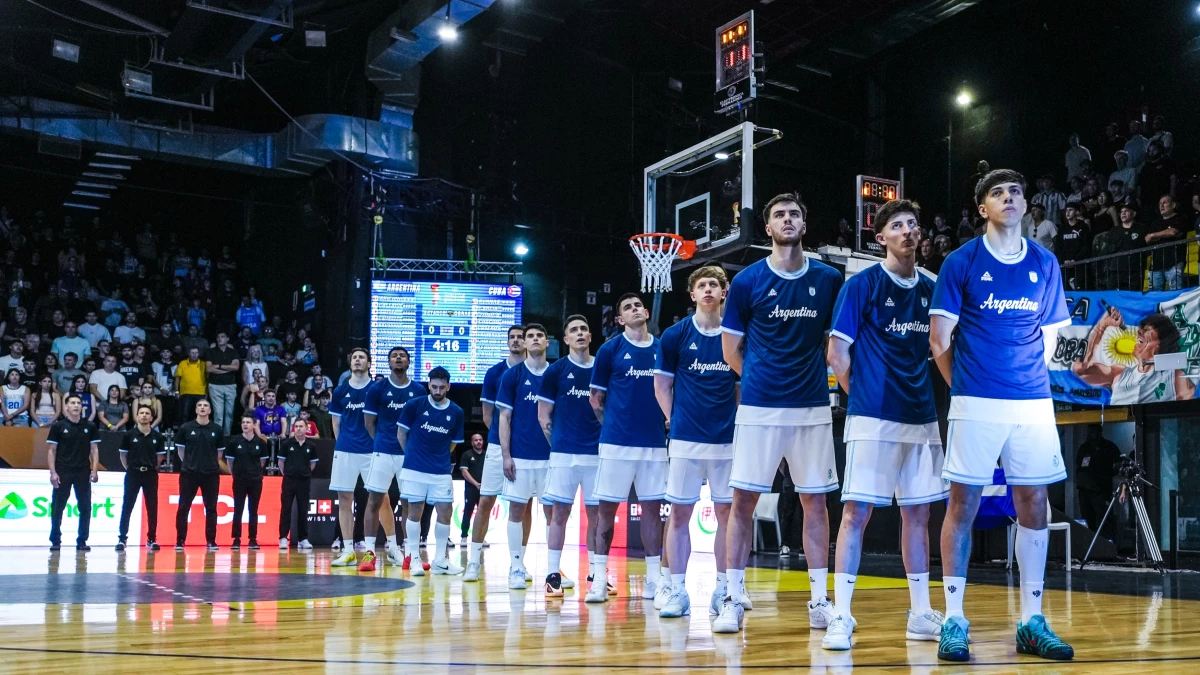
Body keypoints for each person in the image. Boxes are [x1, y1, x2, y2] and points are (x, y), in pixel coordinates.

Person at [929, 169, 1074, 661]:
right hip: (975, 402)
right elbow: (939, 340)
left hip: (1032, 403)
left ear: (1026, 204)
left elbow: (1050, 337)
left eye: (1015, 191)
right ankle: (954, 619)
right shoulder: (961, 261)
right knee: (962, 505)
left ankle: (1032, 621)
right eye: (997, 192)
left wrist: (1023, 382)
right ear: (982, 208)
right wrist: (968, 388)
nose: (1008, 197)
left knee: (1035, 502)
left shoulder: (1045, 262)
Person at [712, 192, 843, 634]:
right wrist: (761, 379)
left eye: (795, 214)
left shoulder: (828, 278)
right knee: (743, 502)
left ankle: (820, 602)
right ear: (767, 228)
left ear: (805, 224)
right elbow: (730, 350)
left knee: (815, 502)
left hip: (812, 408)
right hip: (759, 410)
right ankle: (732, 598)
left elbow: (836, 343)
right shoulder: (747, 280)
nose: (788, 220)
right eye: (779, 215)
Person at [821, 199, 946, 651]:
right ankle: (841, 614)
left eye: (913, 224)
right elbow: (837, 354)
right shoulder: (862, 284)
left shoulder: (932, 286)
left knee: (919, 515)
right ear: (881, 238)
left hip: (922, 417)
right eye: (897, 225)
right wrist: (864, 396)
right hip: (872, 417)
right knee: (856, 513)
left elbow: (943, 348)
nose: (908, 230)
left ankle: (920, 613)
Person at [653, 267, 738, 619]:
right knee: (679, 515)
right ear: (692, 295)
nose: (707, 290)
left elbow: (740, 388)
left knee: (727, 515)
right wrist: (675, 420)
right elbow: (661, 386)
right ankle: (677, 590)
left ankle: (724, 589)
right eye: (701, 285)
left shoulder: (735, 334)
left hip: (727, 441)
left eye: (713, 285)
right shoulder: (675, 335)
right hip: (685, 439)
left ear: (724, 292)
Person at [586, 293, 668, 605]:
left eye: (637, 305)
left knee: (652, 511)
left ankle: (653, 580)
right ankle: (598, 579)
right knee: (606, 511)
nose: (634, 309)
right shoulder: (610, 349)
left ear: (646, 312)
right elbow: (596, 399)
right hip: (616, 444)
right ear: (620, 319)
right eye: (627, 307)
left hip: (653, 444)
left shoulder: (662, 348)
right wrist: (612, 426)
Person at [536, 315, 606, 596]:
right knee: (559, 514)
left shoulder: (602, 367)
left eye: (583, 329)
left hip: (596, 456)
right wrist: (558, 445)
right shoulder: (556, 371)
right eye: (573, 330)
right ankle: (553, 574)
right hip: (564, 456)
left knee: (596, 517)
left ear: (590, 337)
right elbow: (543, 416)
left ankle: (596, 575)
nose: (579, 333)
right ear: (565, 339)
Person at [497, 323, 558, 590]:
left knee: (552, 513)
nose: (534, 339)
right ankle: (516, 566)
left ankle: (554, 570)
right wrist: (506, 455)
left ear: (547, 342)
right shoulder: (513, 375)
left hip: (551, 457)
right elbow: (504, 417)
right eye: (529, 336)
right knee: (517, 510)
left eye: (539, 335)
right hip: (520, 457)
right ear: (524, 343)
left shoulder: (556, 373)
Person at [466, 325, 528, 580]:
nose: (516, 341)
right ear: (507, 342)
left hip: (526, 448)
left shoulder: (536, 370)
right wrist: (504, 443)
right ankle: (473, 561)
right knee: (485, 502)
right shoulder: (495, 372)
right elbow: (488, 415)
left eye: (520, 337)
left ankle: (519, 564)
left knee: (524, 505)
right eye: (512, 337)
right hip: (496, 446)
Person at [359, 346, 426, 571]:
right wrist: (382, 442)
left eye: (402, 356)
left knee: (409, 503)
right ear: (388, 363)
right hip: (383, 452)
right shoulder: (378, 388)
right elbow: (369, 423)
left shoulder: (418, 390)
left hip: (408, 455)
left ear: (408, 362)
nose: (398, 358)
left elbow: (420, 423)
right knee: (374, 501)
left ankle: (411, 555)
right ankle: (369, 554)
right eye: (394, 356)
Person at [397, 366, 465, 575]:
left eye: (441, 387)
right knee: (415, 512)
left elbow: (453, 444)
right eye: (434, 387)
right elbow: (401, 434)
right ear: (429, 385)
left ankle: (440, 561)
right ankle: (415, 559)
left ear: (448, 387)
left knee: (445, 512)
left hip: (441, 470)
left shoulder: (456, 412)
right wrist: (413, 455)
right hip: (414, 468)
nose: (437, 391)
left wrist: (437, 456)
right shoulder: (414, 405)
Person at [1071, 307, 1193, 404]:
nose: (1139, 332)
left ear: (1161, 342)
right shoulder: (1118, 373)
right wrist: (1102, 326)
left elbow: (1189, 397)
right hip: (1122, 424)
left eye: (1147, 330)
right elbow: (1081, 370)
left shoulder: (1173, 374)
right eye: (1142, 329)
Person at [328, 348, 376, 567]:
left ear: (369, 363)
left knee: (378, 499)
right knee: (344, 499)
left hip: (371, 450)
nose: (357, 360)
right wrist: (343, 444)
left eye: (361, 357)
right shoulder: (340, 390)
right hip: (345, 450)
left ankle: (381, 548)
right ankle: (348, 551)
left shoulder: (376, 389)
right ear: (350, 364)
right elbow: (335, 422)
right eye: (354, 357)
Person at [46, 393, 101, 551]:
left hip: (83, 470)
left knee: (85, 507)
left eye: (78, 403)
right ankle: (55, 540)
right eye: (73, 403)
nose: (76, 405)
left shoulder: (90, 426)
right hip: (63, 470)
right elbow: (51, 451)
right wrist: (53, 472)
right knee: (58, 507)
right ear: (66, 406)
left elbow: (94, 450)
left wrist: (94, 470)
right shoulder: (58, 426)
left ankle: (82, 540)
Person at [173, 398, 226, 551]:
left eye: (205, 406)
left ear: (210, 410)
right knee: (184, 507)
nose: (202, 408)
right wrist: (190, 464)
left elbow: (219, 453)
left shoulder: (217, 429)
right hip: (189, 474)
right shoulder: (186, 428)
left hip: (210, 474)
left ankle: (211, 541)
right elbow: (181, 451)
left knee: (211, 508)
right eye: (200, 405)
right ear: (196, 410)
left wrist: (209, 464)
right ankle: (180, 540)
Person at [116, 405, 165, 551]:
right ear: (137, 416)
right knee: (127, 505)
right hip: (133, 473)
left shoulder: (158, 437)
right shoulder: (128, 435)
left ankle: (151, 539)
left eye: (147, 413)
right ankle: (122, 538)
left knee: (152, 506)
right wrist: (131, 468)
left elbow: (159, 458)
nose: (144, 415)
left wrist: (150, 467)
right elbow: (123, 455)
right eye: (141, 413)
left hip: (150, 474)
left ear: (151, 418)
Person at [226, 413, 270, 550]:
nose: (245, 425)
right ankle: (236, 539)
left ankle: (252, 539)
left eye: (248, 422)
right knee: (238, 509)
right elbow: (230, 462)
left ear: (254, 425)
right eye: (243, 422)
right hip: (239, 480)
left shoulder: (261, 443)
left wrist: (254, 472)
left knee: (253, 509)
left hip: (255, 480)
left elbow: (262, 462)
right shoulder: (234, 442)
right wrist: (236, 474)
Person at [278, 418, 318, 549]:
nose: (298, 429)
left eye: (301, 426)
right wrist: (288, 473)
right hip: (289, 480)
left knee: (303, 510)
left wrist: (304, 473)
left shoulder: (311, 446)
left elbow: (313, 464)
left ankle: (303, 539)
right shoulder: (286, 444)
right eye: (296, 426)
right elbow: (281, 463)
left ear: (306, 428)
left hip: (304, 481)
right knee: (286, 509)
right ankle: (283, 537)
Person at [1145, 195, 1185, 291]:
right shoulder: (1155, 223)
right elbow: (1147, 239)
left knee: (1175, 292)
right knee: (1155, 295)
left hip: (1174, 263)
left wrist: (1154, 235)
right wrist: (1164, 234)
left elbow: (1172, 232)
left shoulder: (1180, 218)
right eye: (1160, 204)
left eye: (1165, 203)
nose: (1161, 206)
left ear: (1173, 205)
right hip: (1156, 265)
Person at [205, 331, 240, 434]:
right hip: (215, 385)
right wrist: (228, 368)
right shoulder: (210, 351)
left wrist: (219, 366)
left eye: (222, 337)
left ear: (227, 339)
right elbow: (209, 369)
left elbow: (236, 367)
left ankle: (227, 435)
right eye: (218, 337)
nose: (220, 339)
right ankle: (218, 435)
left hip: (230, 385)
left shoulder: (233, 352)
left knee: (229, 412)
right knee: (218, 413)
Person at [458, 432, 487, 545]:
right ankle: (464, 537)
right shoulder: (467, 454)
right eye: (476, 440)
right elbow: (464, 472)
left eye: (480, 439)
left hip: (485, 490)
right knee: (468, 512)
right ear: (472, 442)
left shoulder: (487, 455)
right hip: (471, 489)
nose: (479, 442)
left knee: (483, 514)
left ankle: (481, 538)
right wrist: (476, 484)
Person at [176, 346, 207, 422]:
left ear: (199, 354)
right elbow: (177, 378)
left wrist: (207, 393)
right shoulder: (182, 363)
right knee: (184, 415)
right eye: (192, 353)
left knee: (200, 414)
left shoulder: (203, 364)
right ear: (188, 354)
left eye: (196, 353)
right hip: (186, 393)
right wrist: (177, 391)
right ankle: (183, 429)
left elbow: (208, 379)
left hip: (201, 393)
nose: (194, 355)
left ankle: (198, 429)